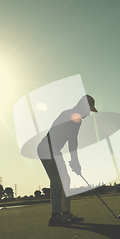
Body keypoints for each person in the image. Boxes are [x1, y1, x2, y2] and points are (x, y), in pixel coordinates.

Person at [37, 95, 98, 226]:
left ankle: (65, 213)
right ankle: (55, 215)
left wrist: (74, 161)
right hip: (47, 148)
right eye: (89, 110)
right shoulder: (72, 116)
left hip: (54, 150)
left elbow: (72, 141)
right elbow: (72, 141)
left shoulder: (70, 114)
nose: (88, 114)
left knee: (65, 180)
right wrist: (75, 161)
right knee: (57, 180)